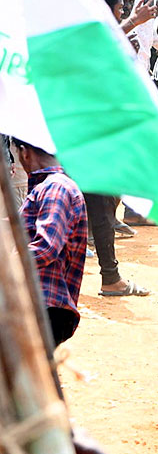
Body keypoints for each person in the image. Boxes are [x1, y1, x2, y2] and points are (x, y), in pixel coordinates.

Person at [14, 137, 87, 346]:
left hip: (42, 307)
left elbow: (46, 248)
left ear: (24, 153)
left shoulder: (56, 188)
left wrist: (7, 259)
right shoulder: (49, 188)